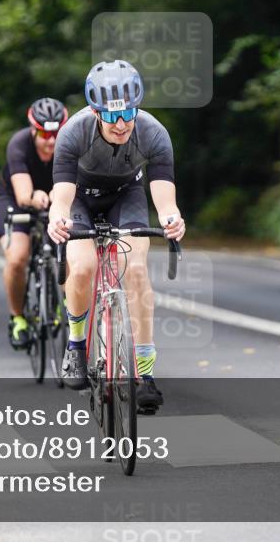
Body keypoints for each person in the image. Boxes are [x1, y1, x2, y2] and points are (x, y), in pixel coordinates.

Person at [47, 60, 186, 414]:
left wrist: (172, 218)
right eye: (111, 117)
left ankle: (144, 375)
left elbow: (164, 196)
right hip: (80, 197)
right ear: (95, 113)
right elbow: (61, 196)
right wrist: (57, 219)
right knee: (81, 268)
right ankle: (76, 345)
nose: (122, 123)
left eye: (128, 113)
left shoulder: (153, 133)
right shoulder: (73, 132)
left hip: (127, 195)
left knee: (135, 269)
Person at [0, 98, 69, 349]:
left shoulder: (70, 145)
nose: (51, 140)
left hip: (56, 200)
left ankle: (63, 303)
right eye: (44, 133)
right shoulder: (19, 144)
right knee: (17, 257)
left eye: (56, 133)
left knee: (72, 249)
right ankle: (17, 319)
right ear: (33, 129)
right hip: (17, 199)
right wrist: (35, 197)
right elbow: (24, 193)